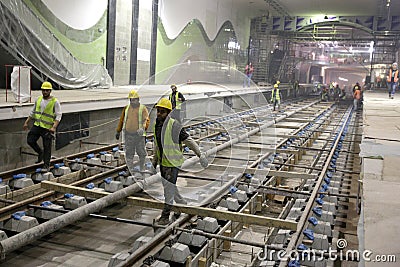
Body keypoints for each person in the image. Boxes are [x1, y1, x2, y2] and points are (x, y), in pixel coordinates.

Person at [152, 98, 208, 225]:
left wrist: (201, 156)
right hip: (163, 163)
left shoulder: (174, 125)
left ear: (168, 113)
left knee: (168, 189)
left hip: (173, 163)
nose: (159, 114)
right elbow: (157, 144)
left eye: (162, 112)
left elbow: (188, 140)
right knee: (169, 186)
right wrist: (154, 162)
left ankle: (165, 216)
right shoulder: (157, 125)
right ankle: (181, 203)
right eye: (158, 111)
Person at [23, 81, 62, 172]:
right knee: (30, 140)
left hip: (47, 128)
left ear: (50, 91)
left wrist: (54, 127)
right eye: (43, 90)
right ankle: (40, 153)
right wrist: (26, 122)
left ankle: (46, 165)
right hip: (37, 125)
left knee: (47, 147)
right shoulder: (38, 99)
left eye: (47, 90)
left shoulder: (55, 102)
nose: (44, 92)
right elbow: (33, 112)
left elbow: (59, 115)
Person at [116, 89, 150, 177]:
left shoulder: (142, 108)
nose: (132, 101)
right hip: (129, 135)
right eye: (131, 100)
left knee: (141, 153)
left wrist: (143, 128)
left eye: (134, 99)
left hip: (139, 136)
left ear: (138, 99)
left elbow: (146, 120)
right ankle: (129, 170)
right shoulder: (126, 108)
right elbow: (122, 120)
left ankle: (142, 169)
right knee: (129, 154)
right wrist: (118, 131)